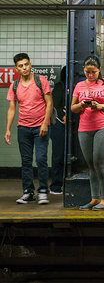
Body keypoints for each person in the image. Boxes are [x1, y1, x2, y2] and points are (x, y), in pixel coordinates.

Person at [70, 56, 104, 211]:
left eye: (93, 72)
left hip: (103, 127)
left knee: (99, 162)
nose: (90, 75)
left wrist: (101, 106)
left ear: (99, 70)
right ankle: (95, 198)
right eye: (87, 72)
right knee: (91, 165)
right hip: (84, 128)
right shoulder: (79, 86)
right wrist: (81, 105)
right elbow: (73, 108)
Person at [5, 53, 53, 205]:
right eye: (21, 66)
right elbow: (12, 108)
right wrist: (8, 129)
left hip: (40, 127)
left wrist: (45, 123)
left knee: (41, 159)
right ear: (16, 69)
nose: (24, 68)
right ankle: (28, 193)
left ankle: (43, 191)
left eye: (26, 64)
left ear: (30, 64)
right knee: (26, 162)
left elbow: (49, 103)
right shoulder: (14, 85)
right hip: (23, 128)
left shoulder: (41, 80)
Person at [49, 66, 67, 195]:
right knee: (58, 155)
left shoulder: (78, 87)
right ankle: (56, 185)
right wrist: (62, 115)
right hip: (59, 125)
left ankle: (62, 183)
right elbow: (54, 105)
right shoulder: (60, 86)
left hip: (70, 125)